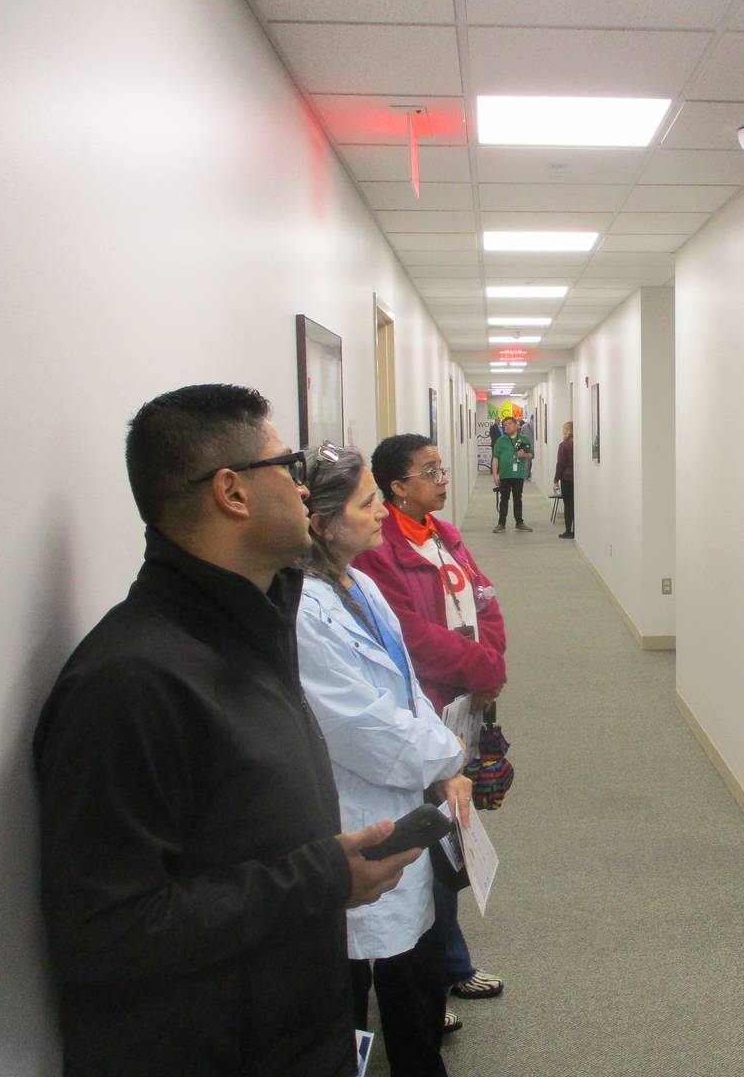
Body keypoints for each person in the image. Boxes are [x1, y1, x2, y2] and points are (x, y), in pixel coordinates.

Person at [34, 384, 420, 1077]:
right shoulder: (130, 682)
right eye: (290, 467)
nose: (306, 489)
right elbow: (104, 933)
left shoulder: (252, 631)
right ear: (232, 493)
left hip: (290, 1027)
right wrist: (323, 877)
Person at [295, 443, 471, 1076]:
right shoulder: (301, 612)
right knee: (351, 990)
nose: (380, 513)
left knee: (413, 978)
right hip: (353, 813)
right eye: (367, 502)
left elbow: (406, 688)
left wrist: (447, 764)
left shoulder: (361, 583)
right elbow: (362, 726)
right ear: (321, 522)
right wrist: (447, 756)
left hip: (406, 801)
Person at [355, 433, 509, 1008]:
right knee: (430, 841)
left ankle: (446, 964)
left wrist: (490, 663)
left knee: (452, 830)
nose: (443, 479)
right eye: (429, 471)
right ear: (397, 487)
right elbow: (409, 637)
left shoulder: (445, 535)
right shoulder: (379, 550)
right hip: (423, 707)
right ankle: (439, 975)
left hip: (464, 703)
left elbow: (485, 599)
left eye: (442, 468)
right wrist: (480, 665)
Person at [491, 414, 534, 532]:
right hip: (504, 475)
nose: (507, 427)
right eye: (504, 425)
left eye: (509, 424)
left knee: (517, 498)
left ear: (516, 425)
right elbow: (495, 458)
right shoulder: (501, 440)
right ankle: (501, 523)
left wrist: (524, 455)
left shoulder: (523, 439)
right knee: (504, 499)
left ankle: (519, 522)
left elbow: (531, 454)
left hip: (518, 475)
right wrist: (495, 474)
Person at [553, 421, 574, 539]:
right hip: (577, 479)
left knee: (568, 505)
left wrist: (556, 480)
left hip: (567, 478)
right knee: (575, 505)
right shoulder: (578, 444)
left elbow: (560, 464)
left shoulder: (564, 445)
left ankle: (568, 530)